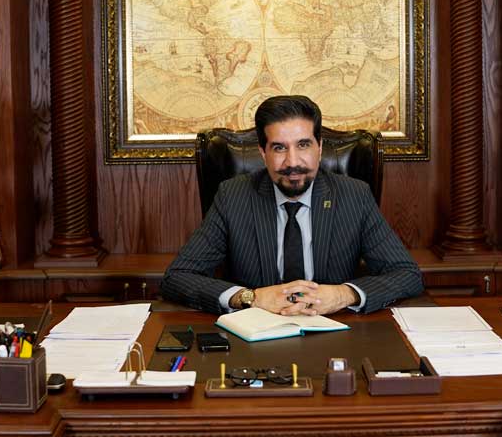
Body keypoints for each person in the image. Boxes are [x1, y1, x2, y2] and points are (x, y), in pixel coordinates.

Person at [161, 94, 423, 317]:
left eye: (303, 145)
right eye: (279, 148)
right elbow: (178, 277)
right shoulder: (233, 196)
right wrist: (250, 297)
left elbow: (407, 274)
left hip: (334, 331)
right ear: (263, 153)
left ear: (319, 148)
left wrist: (344, 294)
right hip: (255, 336)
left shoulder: (354, 195)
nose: (293, 162)